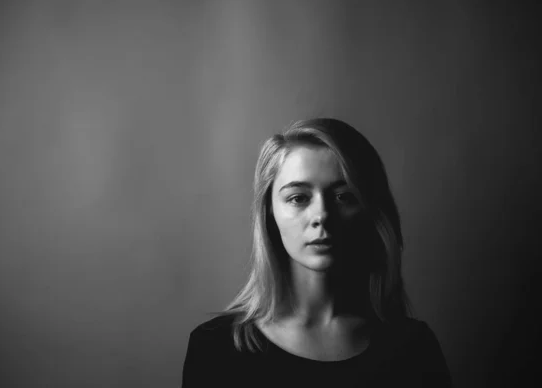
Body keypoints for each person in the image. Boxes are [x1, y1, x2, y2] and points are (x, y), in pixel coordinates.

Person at [181, 118, 452, 387]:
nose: (322, 215)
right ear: (269, 212)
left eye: (344, 196)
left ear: (370, 210)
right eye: (298, 198)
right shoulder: (215, 349)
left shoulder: (413, 349)